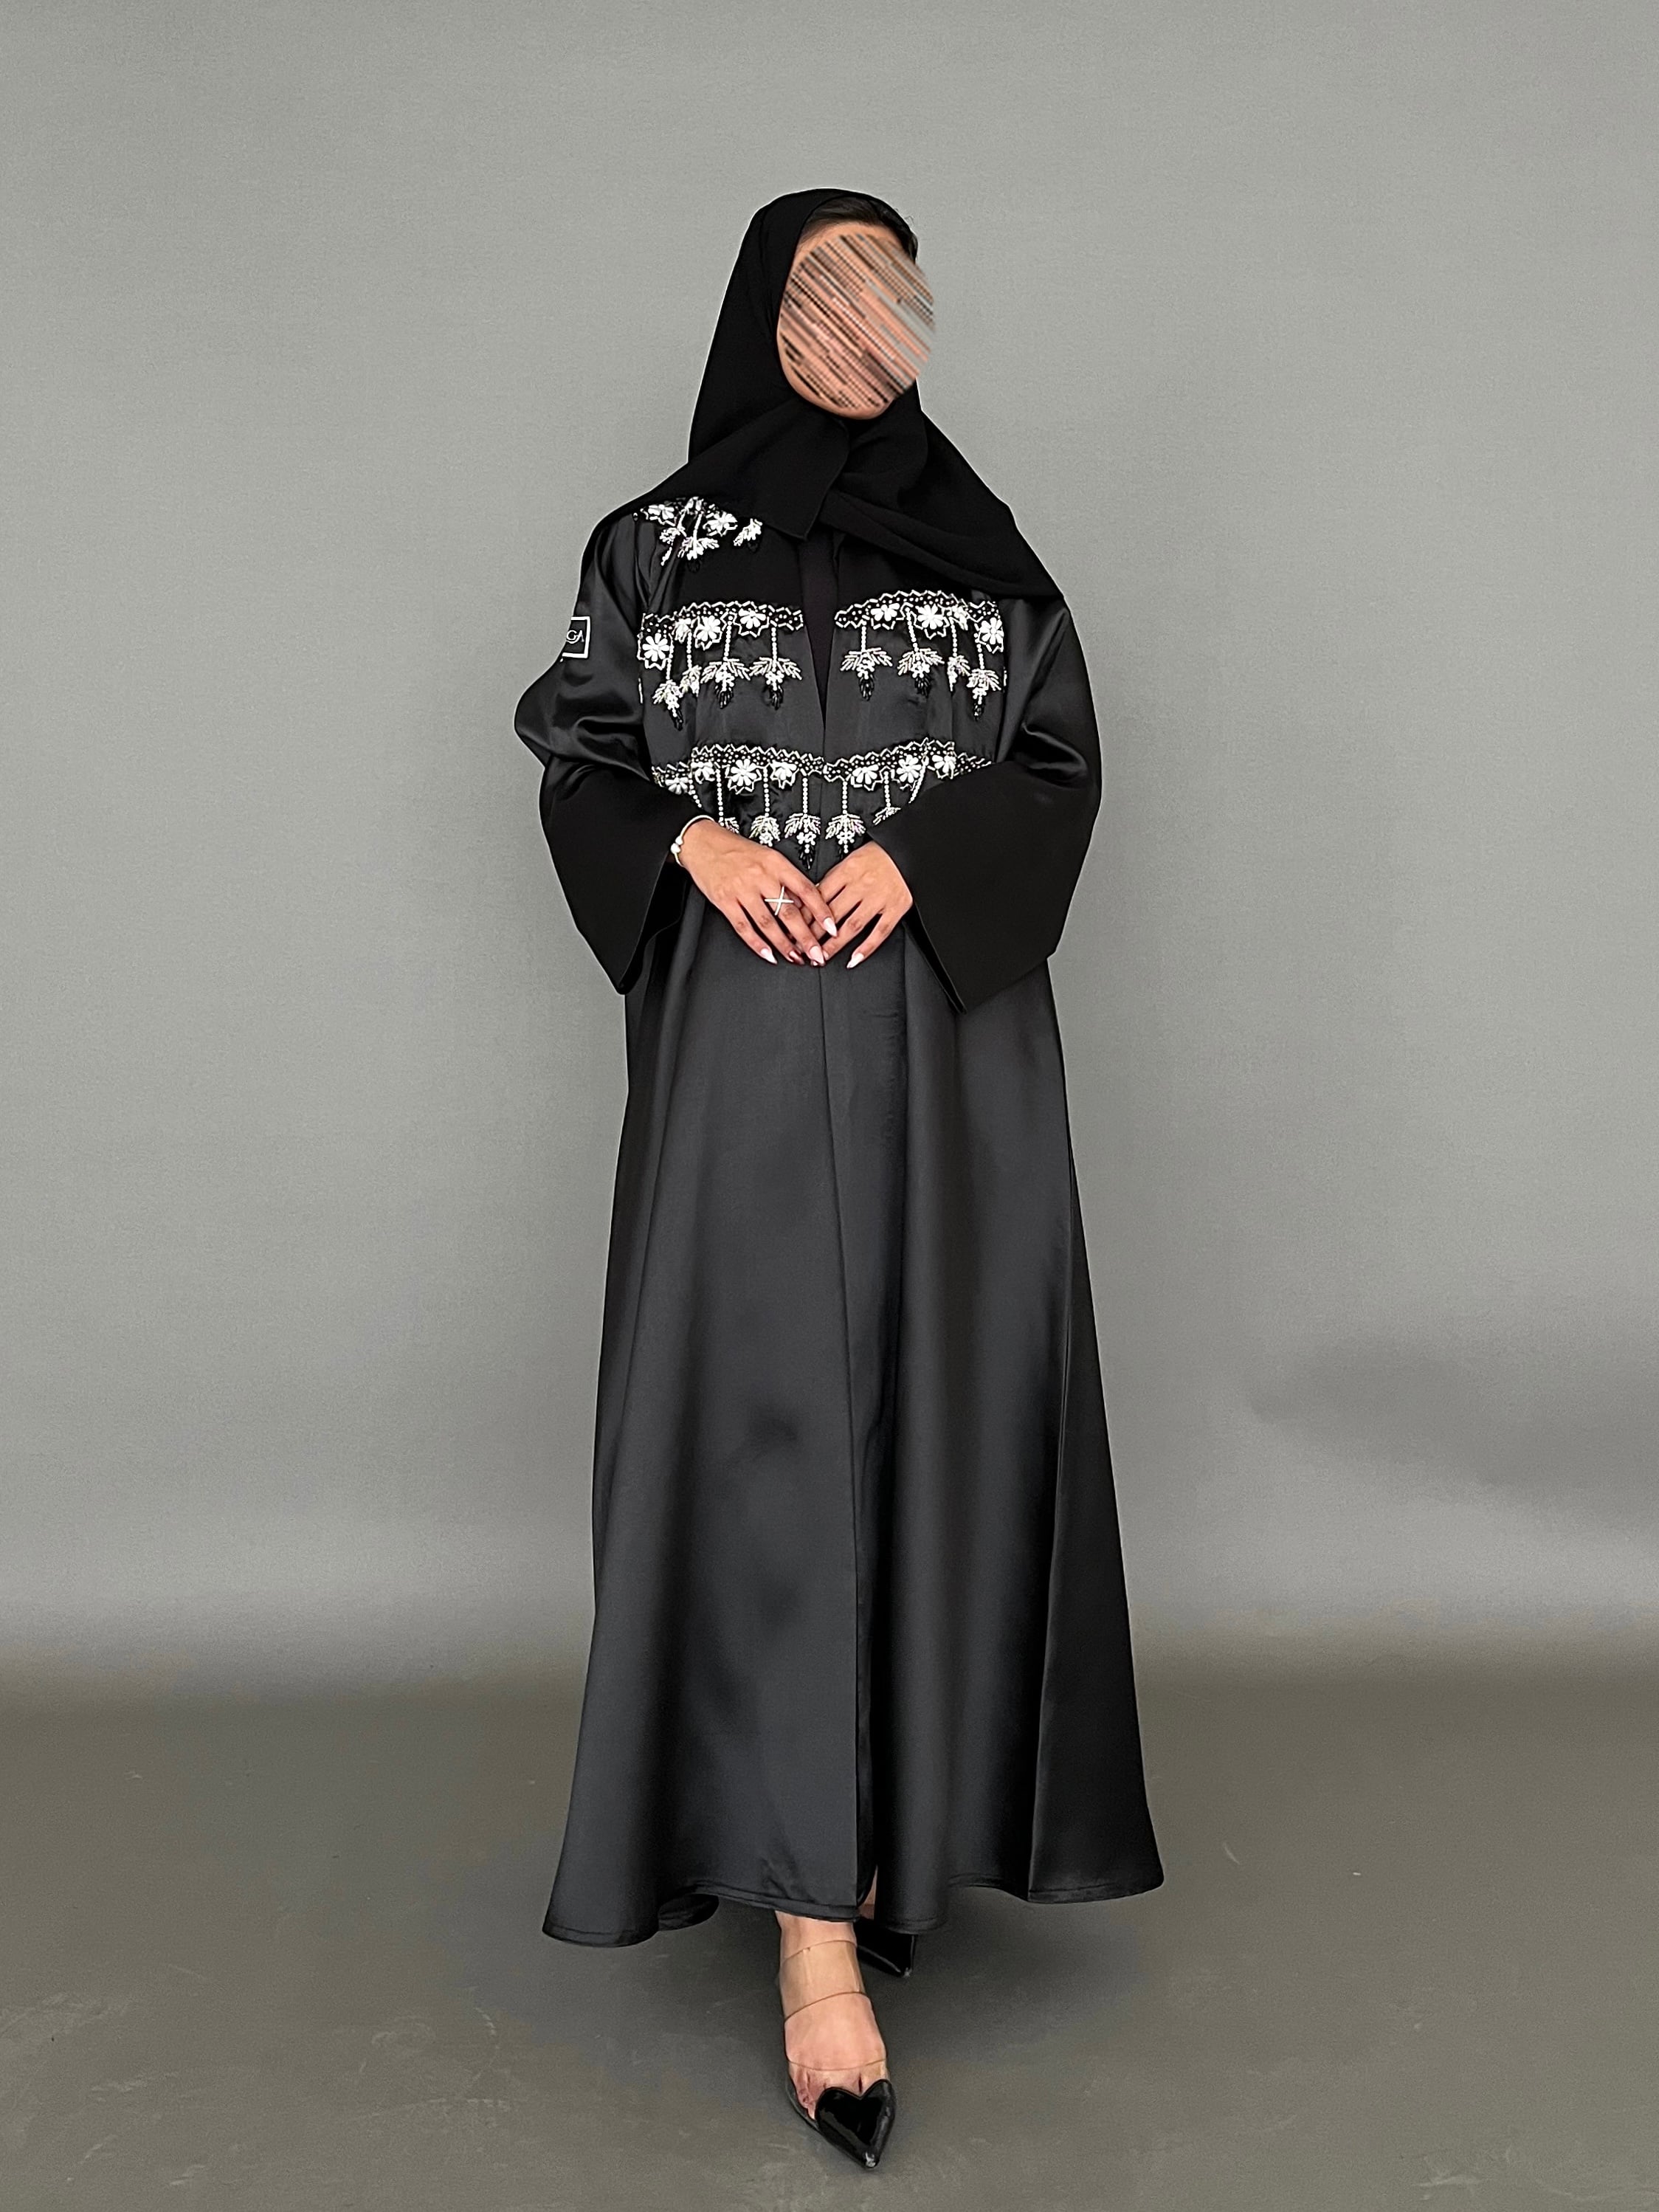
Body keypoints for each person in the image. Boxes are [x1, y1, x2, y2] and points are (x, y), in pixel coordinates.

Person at [514, 187, 1164, 2171]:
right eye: (825, 287)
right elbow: (580, 750)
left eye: (893, 290)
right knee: (763, 1434)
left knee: (945, 1416)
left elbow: (1056, 764)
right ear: (762, 314)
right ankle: (813, 1946)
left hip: (946, 1055)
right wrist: (690, 845)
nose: (864, 322)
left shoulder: (986, 558)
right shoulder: (653, 549)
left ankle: (897, 1835)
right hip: (740, 1054)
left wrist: (922, 857)